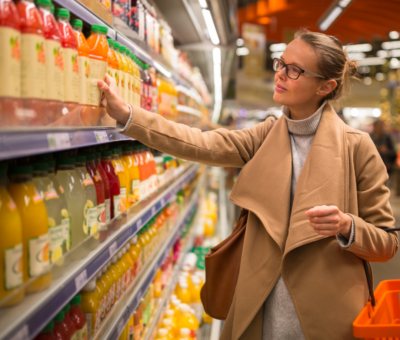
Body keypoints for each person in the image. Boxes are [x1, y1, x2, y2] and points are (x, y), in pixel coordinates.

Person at [97, 29, 398, 340]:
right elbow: (199, 142)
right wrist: (129, 116)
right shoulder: (267, 135)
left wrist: (347, 225)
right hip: (261, 305)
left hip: (327, 314)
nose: (280, 74)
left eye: (294, 70)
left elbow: (388, 243)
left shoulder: (357, 148)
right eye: (281, 63)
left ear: (326, 85)